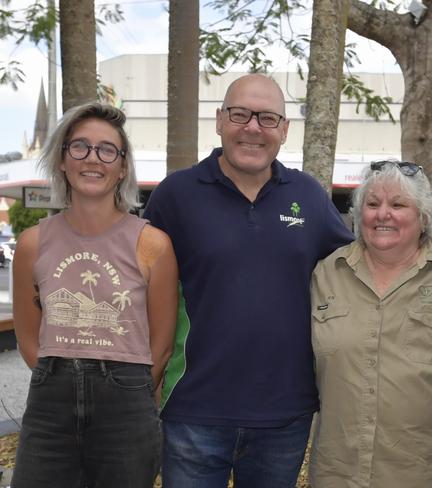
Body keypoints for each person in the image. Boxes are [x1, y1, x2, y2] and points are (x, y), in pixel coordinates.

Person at [144, 73, 353, 487]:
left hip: (284, 414)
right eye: (240, 114)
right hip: (192, 410)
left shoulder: (309, 197)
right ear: (220, 120)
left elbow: (357, 272)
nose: (253, 127)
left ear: (285, 130)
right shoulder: (175, 195)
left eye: (268, 118)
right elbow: (135, 287)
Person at [11, 102, 178, 488]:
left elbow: (162, 346)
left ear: (122, 168)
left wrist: (125, 390)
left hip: (127, 407)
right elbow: (28, 338)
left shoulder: (153, 245)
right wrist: (63, 382)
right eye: (80, 147)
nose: (93, 159)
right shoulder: (32, 244)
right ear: (62, 161)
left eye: (107, 150)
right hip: (49, 407)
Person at [309, 160, 432, 487]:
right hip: (339, 475)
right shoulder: (326, 274)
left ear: (423, 216)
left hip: (429, 476)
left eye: (398, 204)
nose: (382, 213)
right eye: (372, 204)